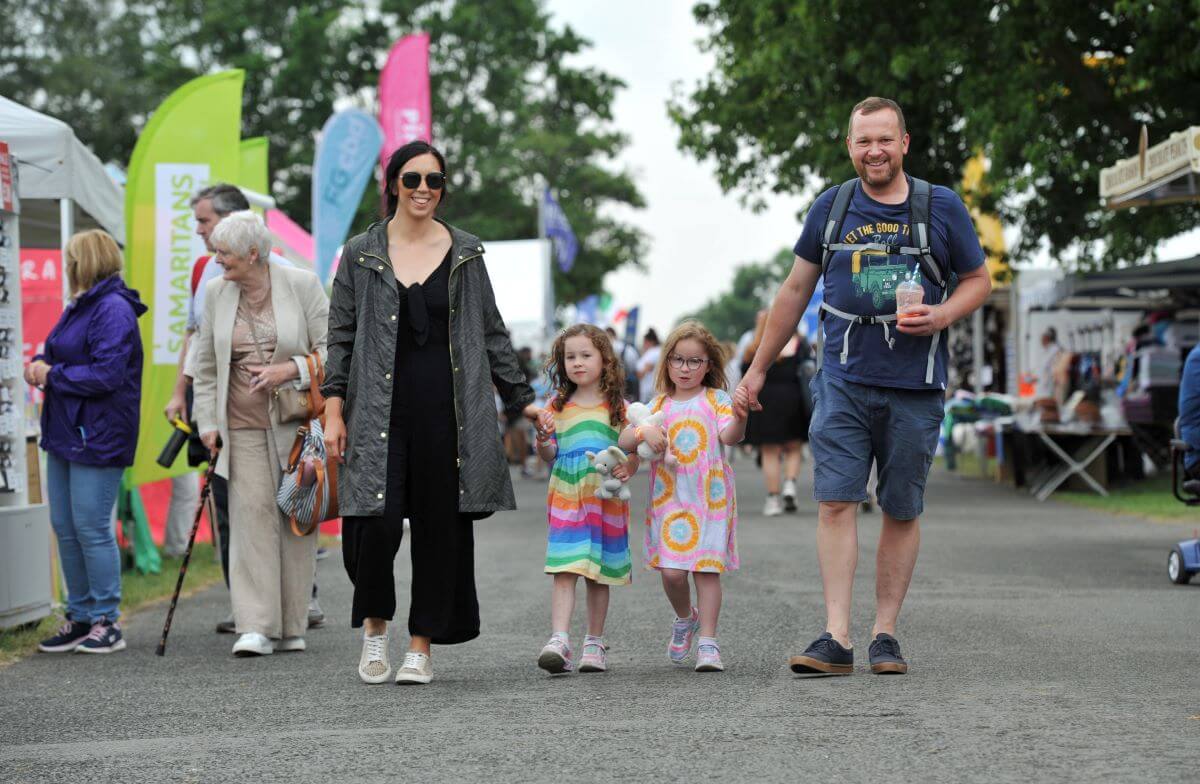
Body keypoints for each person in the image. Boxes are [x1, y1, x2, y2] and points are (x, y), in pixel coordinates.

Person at [736, 97, 990, 676]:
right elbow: (796, 291)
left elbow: (979, 280)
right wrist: (754, 368)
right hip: (843, 378)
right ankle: (836, 635)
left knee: (900, 507)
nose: (873, 151)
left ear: (904, 143)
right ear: (849, 146)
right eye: (862, 141)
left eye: (883, 140)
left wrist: (943, 315)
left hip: (915, 383)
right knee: (834, 502)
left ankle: (885, 635)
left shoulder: (941, 206)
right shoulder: (832, 206)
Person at [322, 140, 538, 686]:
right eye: (413, 179)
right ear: (393, 183)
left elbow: (491, 332)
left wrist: (523, 400)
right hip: (375, 412)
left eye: (434, 181)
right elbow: (341, 337)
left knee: (440, 530)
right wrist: (332, 410)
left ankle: (421, 645)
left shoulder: (465, 251)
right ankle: (375, 630)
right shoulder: (360, 252)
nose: (424, 190)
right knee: (377, 523)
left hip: (449, 412)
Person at [191, 210, 329, 657]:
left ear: (253, 254)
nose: (217, 262)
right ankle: (254, 624)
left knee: (295, 520)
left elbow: (335, 351)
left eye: (225, 254)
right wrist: (207, 424)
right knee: (250, 522)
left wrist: (291, 369)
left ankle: (291, 625)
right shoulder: (216, 293)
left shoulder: (302, 285)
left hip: (297, 426)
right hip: (240, 426)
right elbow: (206, 364)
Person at [32, 230, 146, 654]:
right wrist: (42, 364)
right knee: (65, 526)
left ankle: (106, 619)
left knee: (92, 527)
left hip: (97, 433)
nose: (66, 266)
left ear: (85, 262)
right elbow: (66, 356)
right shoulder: (83, 305)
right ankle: (79, 616)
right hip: (67, 429)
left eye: (71, 259)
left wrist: (52, 375)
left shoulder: (112, 309)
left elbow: (107, 375)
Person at [619, 320, 747, 672]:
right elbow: (625, 441)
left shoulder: (717, 399)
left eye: (695, 361)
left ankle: (708, 642)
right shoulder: (658, 404)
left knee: (706, 572)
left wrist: (741, 416)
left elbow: (731, 436)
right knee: (673, 574)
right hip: (670, 497)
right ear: (667, 363)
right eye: (678, 360)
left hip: (711, 497)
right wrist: (644, 429)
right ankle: (685, 617)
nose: (686, 368)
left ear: (709, 365)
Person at [534, 325, 639, 674]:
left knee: (597, 574)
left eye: (585, 355)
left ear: (605, 360)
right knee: (564, 568)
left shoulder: (619, 409)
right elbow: (549, 454)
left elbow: (631, 452)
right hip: (566, 495)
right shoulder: (556, 406)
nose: (577, 363)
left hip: (604, 498)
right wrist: (543, 439)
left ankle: (594, 642)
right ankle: (559, 639)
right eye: (570, 357)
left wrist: (629, 467)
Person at [742, 313, 808, 516]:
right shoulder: (798, 343)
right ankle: (789, 484)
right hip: (793, 399)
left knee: (770, 452)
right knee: (794, 448)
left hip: (765, 402)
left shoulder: (753, 349)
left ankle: (773, 499)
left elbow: (745, 375)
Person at [606, 325, 641, 401]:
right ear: (615, 335)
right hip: (626, 388)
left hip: (608, 387)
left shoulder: (603, 348)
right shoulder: (628, 348)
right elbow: (635, 367)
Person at [636, 328, 661, 403]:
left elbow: (642, 372)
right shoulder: (654, 352)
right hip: (649, 390)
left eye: (644, 342)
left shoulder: (654, 353)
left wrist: (638, 373)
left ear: (649, 342)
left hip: (649, 392)